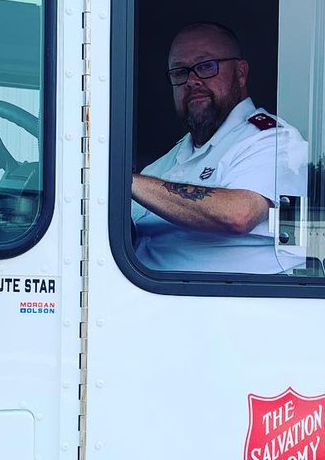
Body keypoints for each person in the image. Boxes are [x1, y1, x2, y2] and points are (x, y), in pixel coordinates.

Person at [131, 22, 307, 272]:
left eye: (206, 66)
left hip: (230, 295)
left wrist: (125, 182)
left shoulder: (273, 140)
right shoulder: (171, 159)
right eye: (180, 72)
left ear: (241, 73)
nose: (192, 81)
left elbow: (239, 215)